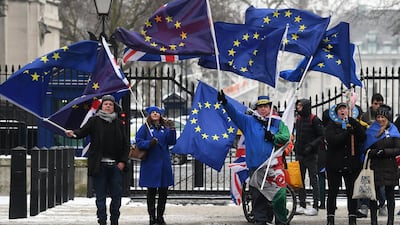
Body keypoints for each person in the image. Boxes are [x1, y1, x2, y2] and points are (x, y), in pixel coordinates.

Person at [218, 92, 290, 225]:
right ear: (256, 108)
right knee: (258, 200)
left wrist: (274, 138)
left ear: (270, 107)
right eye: (260, 106)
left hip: (274, 168)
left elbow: (286, 137)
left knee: (279, 198)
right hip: (256, 169)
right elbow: (234, 115)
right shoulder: (248, 122)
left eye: (266, 106)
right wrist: (225, 103)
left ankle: (281, 222)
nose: (263, 109)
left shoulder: (278, 123)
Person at [65, 95, 130, 225]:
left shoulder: (118, 122)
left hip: (115, 166)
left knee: (116, 196)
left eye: (110, 104)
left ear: (114, 107)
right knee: (100, 197)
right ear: (101, 106)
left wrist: (122, 162)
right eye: (105, 104)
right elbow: (82, 132)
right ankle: (102, 220)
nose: (108, 106)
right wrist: (73, 134)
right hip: (99, 166)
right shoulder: (94, 121)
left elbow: (125, 144)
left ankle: (114, 220)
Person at [325, 103, 366, 225]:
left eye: (345, 109)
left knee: (351, 192)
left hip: (351, 165)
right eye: (340, 109)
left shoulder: (354, 124)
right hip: (334, 165)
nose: (343, 111)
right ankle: (330, 217)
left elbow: (362, 136)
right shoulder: (331, 125)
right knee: (332, 192)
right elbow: (333, 141)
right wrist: (346, 133)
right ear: (336, 112)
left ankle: (352, 217)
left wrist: (353, 123)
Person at [135, 106, 176, 225]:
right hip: (150, 164)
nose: (155, 114)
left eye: (157, 113)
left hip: (164, 165)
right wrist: (149, 143)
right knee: (151, 192)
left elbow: (172, 141)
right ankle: (152, 217)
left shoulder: (165, 128)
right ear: (149, 115)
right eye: (153, 112)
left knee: (163, 192)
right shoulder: (145, 128)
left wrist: (172, 129)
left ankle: (160, 216)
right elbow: (138, 141)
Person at [362, 104, 400, 225]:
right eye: (378, 117)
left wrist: (384, 152)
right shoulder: (371, 130)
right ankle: (374, 221)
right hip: (375, 166)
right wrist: (373, 152)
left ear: (387, 118)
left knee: (390, 195)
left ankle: (390, 221)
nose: (380, 119)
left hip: (390, 166)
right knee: (374, 196)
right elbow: (365, 148)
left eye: (382, 117)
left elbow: (398, 149)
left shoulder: (393, 130)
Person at [293, 99, 325, 216]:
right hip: (300, 154)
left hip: (311, 155)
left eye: (300, 106)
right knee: (299, 180)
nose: (298, 108)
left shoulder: (314, 119)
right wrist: (296, 146)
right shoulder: (299, 119)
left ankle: (316, 205)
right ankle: (302, 204)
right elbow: (298, 135)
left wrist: (311, 146)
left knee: (313, 180)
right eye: (298, 106)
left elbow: (321, 136)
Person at [361, 93, 387, 216]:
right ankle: (365, 204)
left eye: (380, 103)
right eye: (376, 103)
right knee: (367, 178)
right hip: (369, 153)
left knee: (380, 181)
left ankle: (382, 204)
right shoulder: (366, 116)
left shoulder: (386, 114)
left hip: (381, 152)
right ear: (372, 104)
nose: (378, 106)